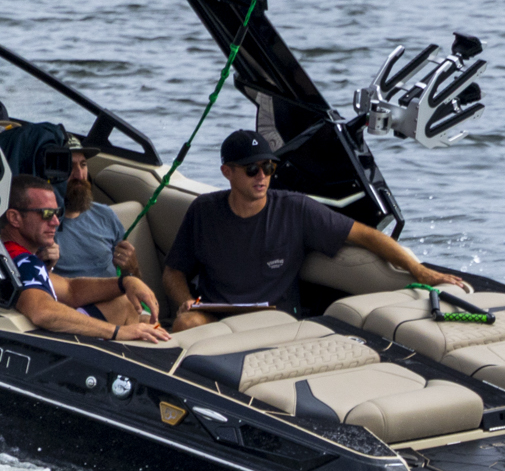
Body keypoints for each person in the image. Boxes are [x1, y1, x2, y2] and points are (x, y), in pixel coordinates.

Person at [164, 130, 471, 332]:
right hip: (217, 316)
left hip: (278, 321)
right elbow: (173, 272)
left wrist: (420, 271)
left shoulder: (295, 209)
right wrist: (185, 300)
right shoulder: (204, 211)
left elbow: (366, 235)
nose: (262, 177)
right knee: (185, 323)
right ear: (226, 172)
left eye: (268, 168)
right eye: (251, 170)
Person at [3, 177, 171, 343]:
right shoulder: (19, 260)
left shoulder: (12, 255)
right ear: (14, 218)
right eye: (46, 214)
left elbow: (70, 290)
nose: (55, 222)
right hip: (48, 348)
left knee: (128, 307)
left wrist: (125, 282)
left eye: (57, 212)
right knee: (126, 307)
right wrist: (118, 332)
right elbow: (43, 312)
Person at [51, 133, 139, 280]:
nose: (79, 175)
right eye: (69, 166)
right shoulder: (42, 224)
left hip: (119, 298)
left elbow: (133, 281)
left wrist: (132, 268)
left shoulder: (105, 214)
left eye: (83, 165)